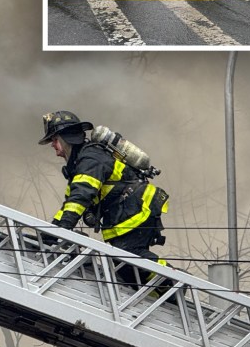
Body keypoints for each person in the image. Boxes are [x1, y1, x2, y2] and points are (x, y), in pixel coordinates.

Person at [38, 110, 169, 289]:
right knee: (125, 268)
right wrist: (53, 230)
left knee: (130, 255)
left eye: (54, 140)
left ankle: (172, 279)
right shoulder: (79, 164)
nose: (53, 146)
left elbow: (81, 196)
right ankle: (162, 295)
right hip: (126, 213)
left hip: (136, 209)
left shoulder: (90, 159)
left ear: (65, 137)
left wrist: (63, 228)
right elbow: (71, 202)